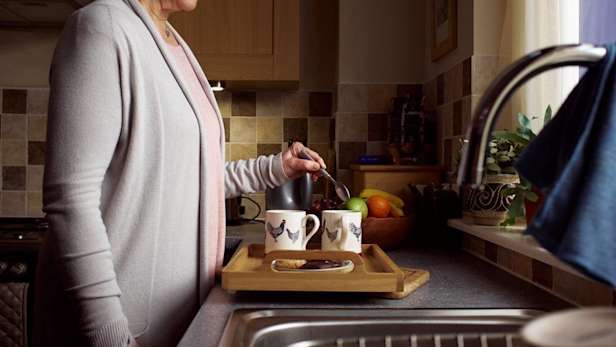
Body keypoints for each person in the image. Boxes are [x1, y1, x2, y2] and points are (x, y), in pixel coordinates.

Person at [33, 0, 326, 346]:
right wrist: (109, 336)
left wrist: (274, 169)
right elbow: (71, 200)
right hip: (120, 331)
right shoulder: (101, 28)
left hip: (171, 324)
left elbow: (188, 179)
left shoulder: (170, 42)